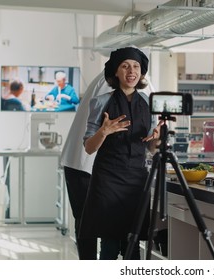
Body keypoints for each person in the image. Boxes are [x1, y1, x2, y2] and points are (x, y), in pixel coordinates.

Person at [79, 47, 162, 260]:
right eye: (125, 66)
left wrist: (157, 139)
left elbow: (150, 149)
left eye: (135, 66)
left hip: (136, 178)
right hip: (108, 178)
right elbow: (89, 147)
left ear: (141, 72)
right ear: (116, 72)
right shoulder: (100, 102)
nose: (131, 71)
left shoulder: (148, 102)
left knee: (132, 243)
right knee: (109, 242)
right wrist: (104, 131)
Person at [60, 72, 112, 259]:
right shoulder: (110, 84)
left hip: (81, 162)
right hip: (85, 163)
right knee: (89, 224)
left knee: (89, 223)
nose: (132, 72)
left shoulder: (105, 78)